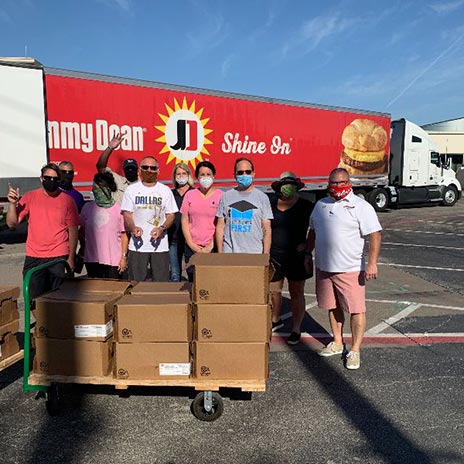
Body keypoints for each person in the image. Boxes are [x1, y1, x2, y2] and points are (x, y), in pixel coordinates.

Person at [307, 168, 382, 370]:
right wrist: (307, 253)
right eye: (334, 183)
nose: (338, 187)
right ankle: (338, 342)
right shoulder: (321, 205)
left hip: (349, 269)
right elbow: (312, 232)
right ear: (329, 183)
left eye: (342, 183)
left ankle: (355, 350)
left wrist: (372, 263)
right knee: (332, 306)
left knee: (356, 310)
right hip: (324, 267)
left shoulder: (361, 206)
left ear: (349, 183)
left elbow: (375, 235)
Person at [6, 163, 80, 300]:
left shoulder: (67, 201)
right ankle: (40, 321)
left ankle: (56, 322)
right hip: (34, 256)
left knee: (60, 299)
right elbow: (12, 223)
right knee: (33, 298)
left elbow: (73, 230)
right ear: (41, 179)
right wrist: (12, 204)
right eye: (48, 178)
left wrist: (71, 258)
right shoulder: (30, 197)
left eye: (55, 179)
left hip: (59, 256)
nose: (52, 181)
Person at [269, 172, 314, 345]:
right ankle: (275, 319)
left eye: (291, 184)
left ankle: (296, 328)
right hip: (275, 254)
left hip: (297, 256)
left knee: (296, 292)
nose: (287, 187)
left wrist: (308, 247)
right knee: (274, 291)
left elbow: (316, 227)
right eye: (284, 184)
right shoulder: (272, 204)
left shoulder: (306, 205)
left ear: (297, 186)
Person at [121, 156, 177, 282]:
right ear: (139, 170)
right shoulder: (131, 190)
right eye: (145, 167)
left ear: (158, 171)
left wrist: (161, 228)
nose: (149, 170)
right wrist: (133, 227)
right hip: (137, 246)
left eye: (153, 168)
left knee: (160, 284)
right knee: (135, 284)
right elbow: (127, 214)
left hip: (160, 246)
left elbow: (171, 215)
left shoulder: (165, 191)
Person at [216, 157, 273, 254]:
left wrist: (265, 255)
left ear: (253, 174)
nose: (244, 175)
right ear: (234, 175)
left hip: (255, 254)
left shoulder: (262, 198)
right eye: (240, 172)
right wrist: (220, 253)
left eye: (248, 172)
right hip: (230, 253)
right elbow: (220, 226)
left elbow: (266, 229)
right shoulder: (226, 196)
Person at [79, 172, 129, 279]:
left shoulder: (119, 209)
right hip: (92, 259)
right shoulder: (87, 208)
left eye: (98, 188)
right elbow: (81, 231)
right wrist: (83, 249)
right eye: (94, 188)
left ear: (108, 189)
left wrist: (124, 257)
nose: (95, 190)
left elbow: (124, 236)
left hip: (113, 260)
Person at [181, 161, 223, 281]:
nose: (205, 177)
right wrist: (191, 244)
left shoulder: (221, 196)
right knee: (193, 281)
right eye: (202, 175)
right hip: (192, 247)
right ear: (197, 177)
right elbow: (185, 220)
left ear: (213, 176)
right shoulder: (190, 195)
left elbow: (221, 224)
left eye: (208, 174)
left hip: (212, 247)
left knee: (211, 281)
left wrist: (210, 246)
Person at [169, 162, 194, 281]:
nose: (181, 176)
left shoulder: (195, 193)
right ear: (174, 176)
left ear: (188, 175)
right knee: (175, 273)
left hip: (190, 239)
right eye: (178, 174)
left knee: (192, 271)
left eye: (184, 173)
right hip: (173, 237)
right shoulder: (170, 193)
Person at [96, 133, 138, 203]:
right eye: (127, 169)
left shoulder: (144, 184)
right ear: (124, 170)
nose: (130, 170)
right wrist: (110, 148)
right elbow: (101, 167)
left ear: (137, 170)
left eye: (132, 168)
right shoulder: (117, 181)